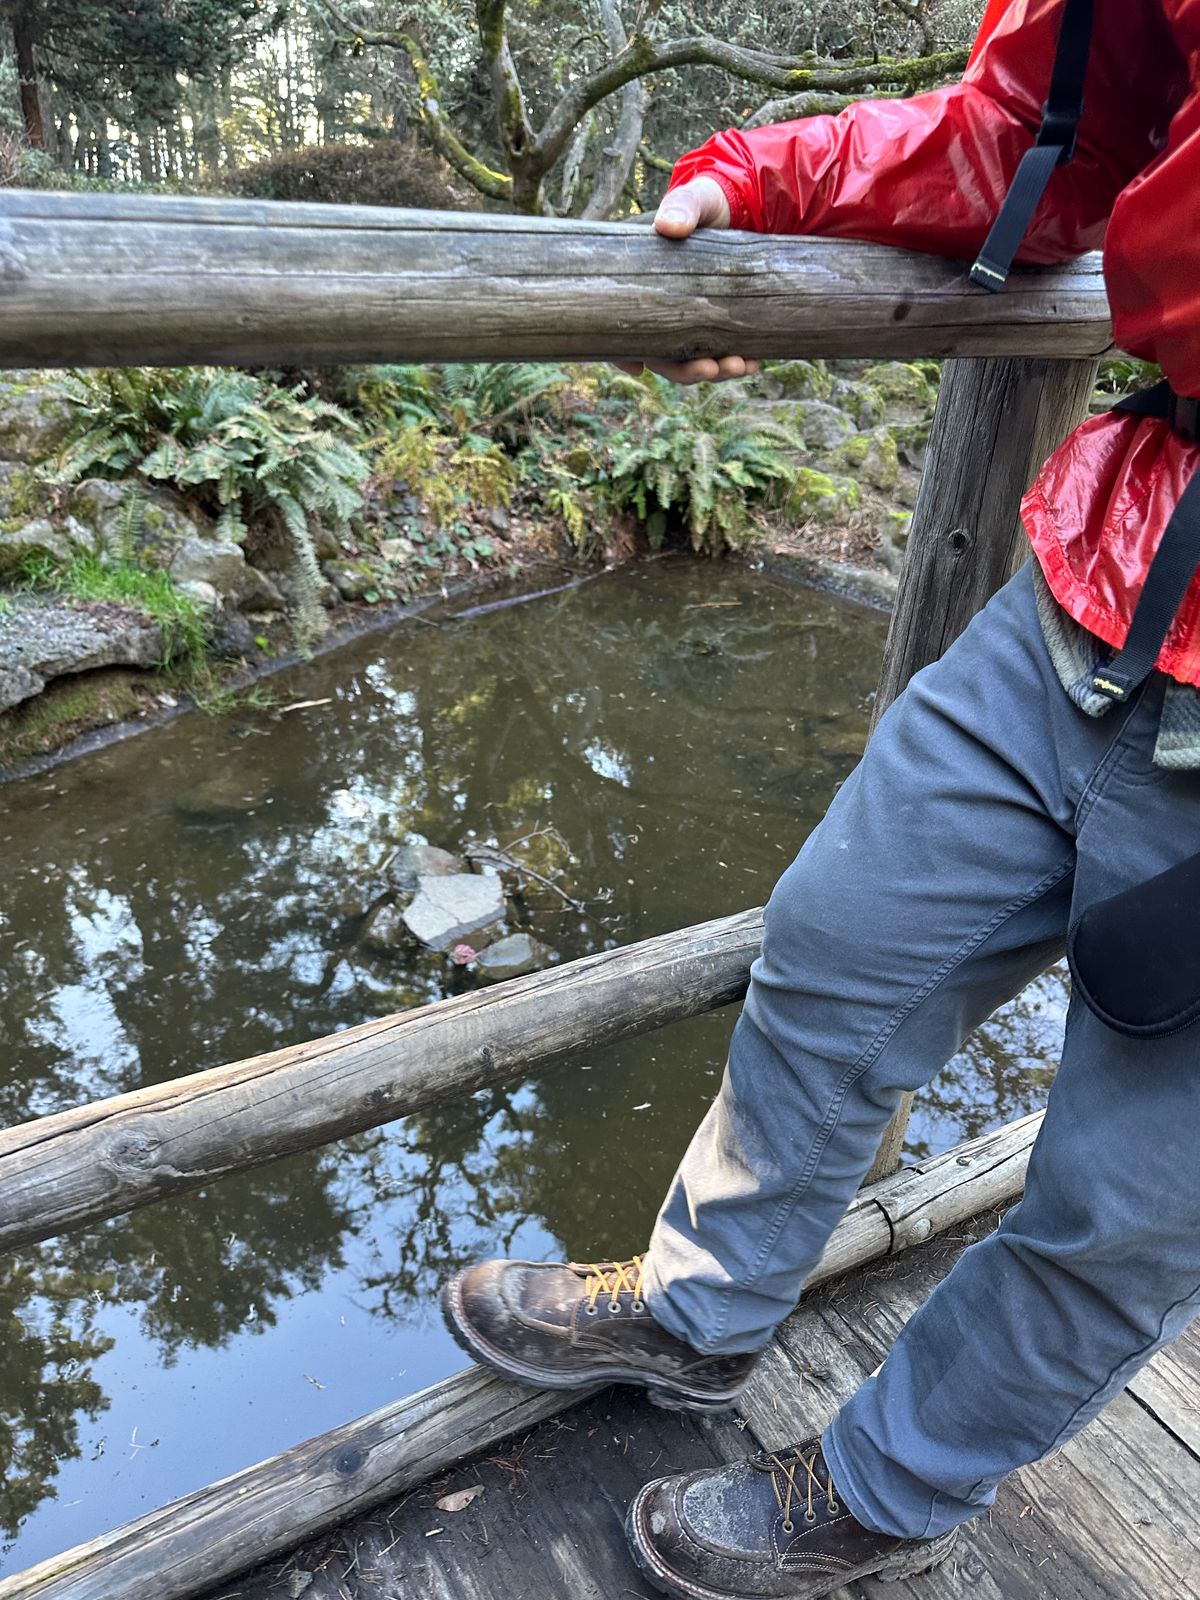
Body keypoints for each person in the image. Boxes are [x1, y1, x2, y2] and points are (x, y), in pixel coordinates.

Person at [442, 2, 1200, 1594]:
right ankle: (700, 1309)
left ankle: (885, 1484)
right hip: (1107, 567)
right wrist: (757, 185)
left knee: (1124, 1197)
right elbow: (1037, 134)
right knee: (839, 943)